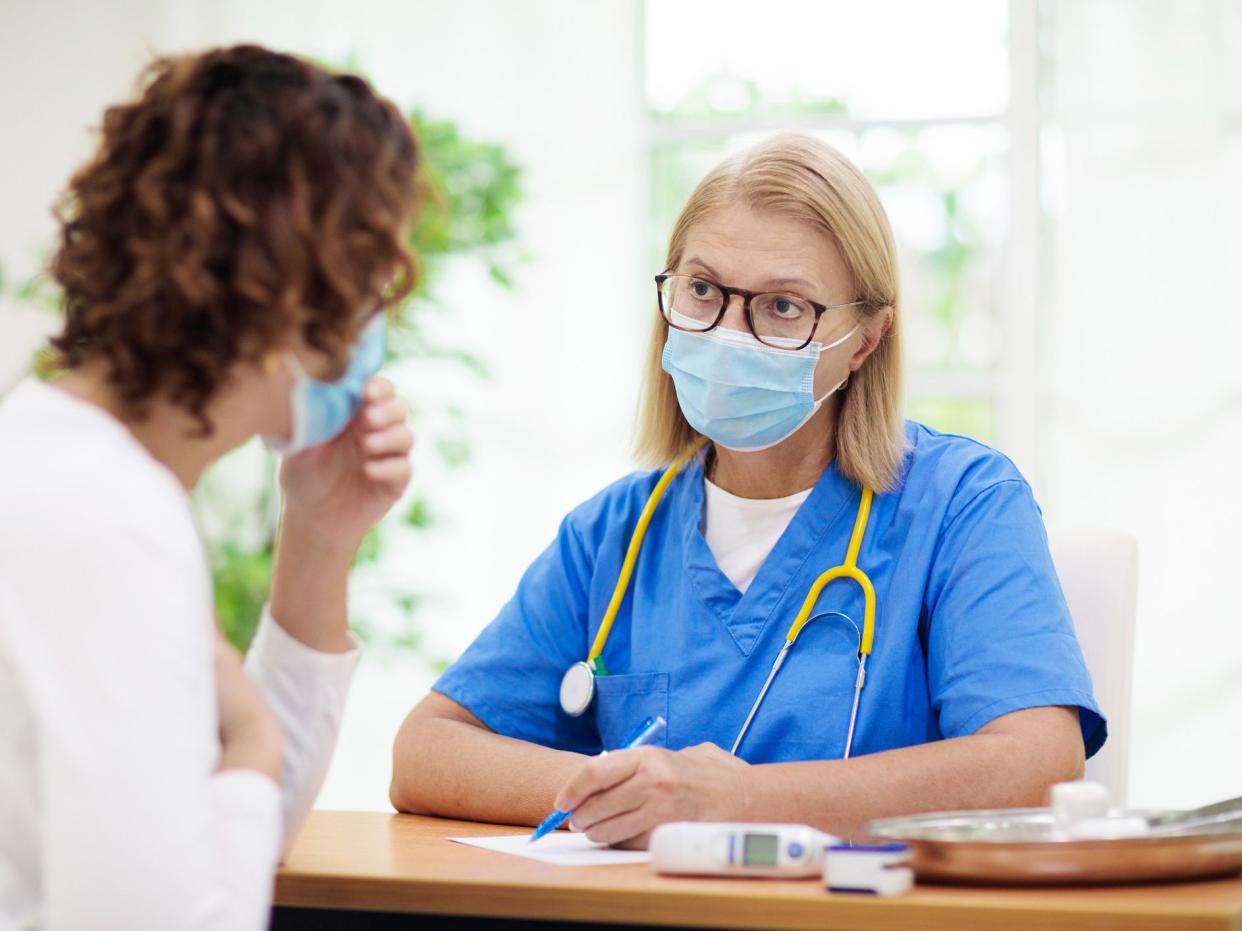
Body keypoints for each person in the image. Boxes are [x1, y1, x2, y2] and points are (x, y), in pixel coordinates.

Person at [390, 133, 1105, 848]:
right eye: (702, 290)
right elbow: (426, 751)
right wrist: (637, 795)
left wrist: (735, 799)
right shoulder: (613, 533)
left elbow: (1036, 764)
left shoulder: (962, 503)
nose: (730, 333)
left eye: (784, 307)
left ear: (865, 340)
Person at [0, 46, 419, 928]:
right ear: (290, 291)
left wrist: (319, 534)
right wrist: (254, 739)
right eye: (369, 279)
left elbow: (218, 838)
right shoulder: (102, 521)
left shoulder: (62, 465)